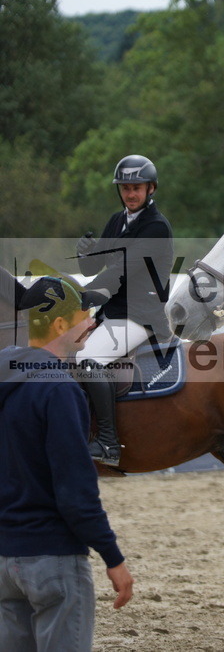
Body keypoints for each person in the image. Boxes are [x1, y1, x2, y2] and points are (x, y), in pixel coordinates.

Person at [1, 276, 134, 651]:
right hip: (52, 559)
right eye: (84, 317)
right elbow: (76, 493)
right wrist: (113, 557)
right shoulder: (59, 388)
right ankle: (107, 438)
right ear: (60, 325)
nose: (91, 323)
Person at [75, 154, 174, 465]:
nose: (131, 194)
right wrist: (84, 253)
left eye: (137, 188)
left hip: (140, 314)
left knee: (86, 359)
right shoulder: (117, 221)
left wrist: (91, 294)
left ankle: (108, 443)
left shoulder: (156, 227)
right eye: (125, 188)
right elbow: (94, 266)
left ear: (150, 189)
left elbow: (123, 270)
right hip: (115, 312)